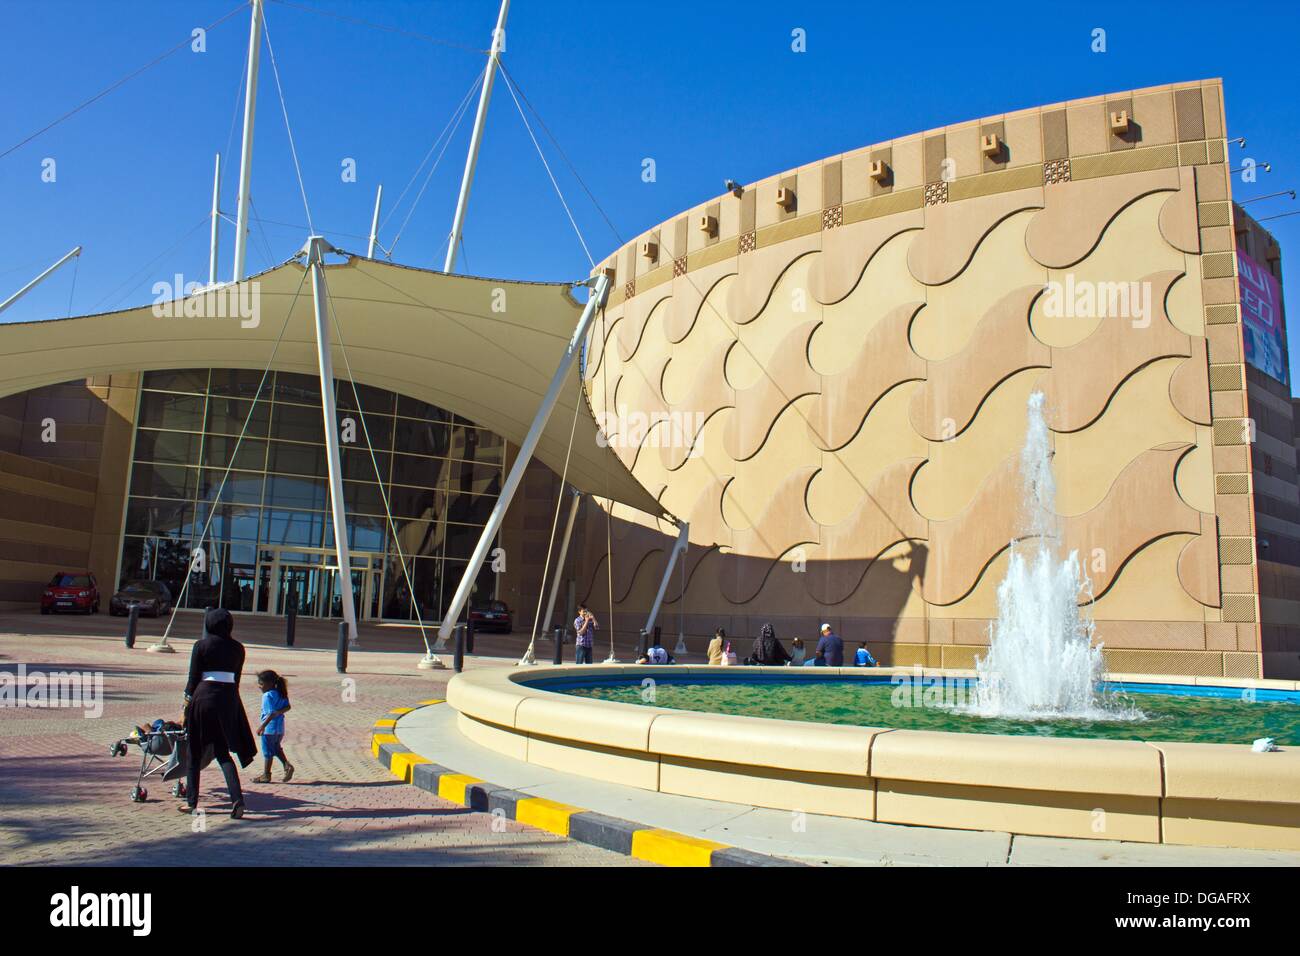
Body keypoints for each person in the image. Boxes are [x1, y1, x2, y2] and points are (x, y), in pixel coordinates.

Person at [179, 608, 257, 817]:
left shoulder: (201, 645)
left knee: (194, 753)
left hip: (203, 699)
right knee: (223, 753)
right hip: (228, 699)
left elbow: (193, 679)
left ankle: (191, 802)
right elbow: (236, 681)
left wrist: (185, 706)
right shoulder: (239, 649)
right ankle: (238, 800)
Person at [251, 670, 294, 783]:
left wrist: (262, 726)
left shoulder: (267, 696)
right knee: (276, 748)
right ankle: (287, 765)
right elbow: (288, 707)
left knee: (268, 752)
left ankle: (266, 775)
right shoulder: (280, 692)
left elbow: (270, 713)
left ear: (270, 683)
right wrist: (279, 712)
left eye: (261, 683)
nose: (259, 686)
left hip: (269, 729)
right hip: (280, 728)